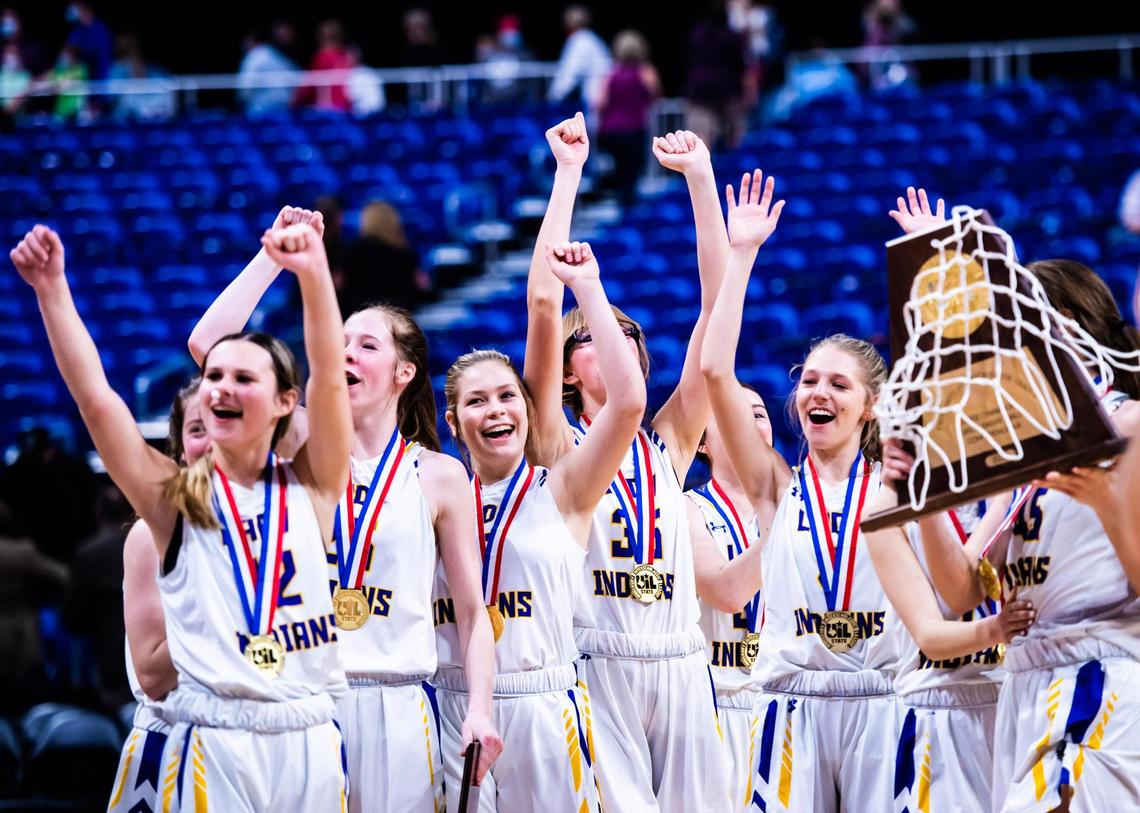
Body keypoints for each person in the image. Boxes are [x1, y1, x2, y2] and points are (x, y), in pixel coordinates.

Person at [11, 220, 352, 809]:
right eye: (214, 376)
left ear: (283, 403)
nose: (219, 387)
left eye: (243, 378)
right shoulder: (173, 500)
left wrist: (315, 273)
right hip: (214, 738)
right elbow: (98, 401)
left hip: (311, 735)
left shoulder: (316, 483)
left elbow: (330, 384)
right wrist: (52, 292)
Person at [188, 205, 501, 811]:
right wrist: (270, 257)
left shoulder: (440, 476)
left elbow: (471, 612)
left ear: (403, 371)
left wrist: (479, 711)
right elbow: (208, 346)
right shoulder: (297, 436)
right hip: (306, 695)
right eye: (341, 339)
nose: (347, 351)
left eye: (367, 343)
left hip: (400, 702)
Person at [525, 114, 733, 811]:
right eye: (603, 333)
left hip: (679, 656)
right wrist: (568, 175)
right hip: (598, 659)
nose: (622, 335)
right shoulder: (556, 442)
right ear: (568, 371)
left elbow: (716, 311)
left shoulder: (668, 439)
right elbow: (545, 303)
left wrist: (701, 183)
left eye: (632, 334)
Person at [911, 250, 1140, 812]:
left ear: (1073, 327)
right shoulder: (1016, 447)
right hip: (1025, 678)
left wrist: (1110, 506)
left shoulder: (1130, 421)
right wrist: (925, 502)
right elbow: (962, 590)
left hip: (1099, 665)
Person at [434, 239, 643, 811]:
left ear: (528, 410)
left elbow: (628, 404)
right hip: (452, 704)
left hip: (544, 701)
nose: (496, 409)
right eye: (477, 402)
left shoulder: (565, 487)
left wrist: (589, 288)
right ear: (454, 422)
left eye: (508, 396)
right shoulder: (428, 495)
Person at [108, 379, 205, 813]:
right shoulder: (151, 535)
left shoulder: (280, 522)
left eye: (229, 423)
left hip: (262, 744)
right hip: (175, 743)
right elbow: (153, 674)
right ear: (180, 448)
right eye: (198, 430)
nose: (216, 439)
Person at [683, 382, 776, 811]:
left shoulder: (805, 506)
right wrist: (787, 524)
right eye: (730, 412)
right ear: (702, 440)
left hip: (782, 701)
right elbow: (727, 591)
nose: (748, 421)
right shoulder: (684, 507)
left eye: (757, 413)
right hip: (715, 703)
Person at [596, 31, 660, 204]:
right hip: (635, 129)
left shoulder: (610, 75)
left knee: (619, 171)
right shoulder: (647, 73)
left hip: (612, 130)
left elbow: (599, 103)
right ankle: (627, 206)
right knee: (631, 172)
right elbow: (656, 96)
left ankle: (621, 204)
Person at [684, 0, 749, 150]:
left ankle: (702, 171)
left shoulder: (696, 34)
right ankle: (736, 169)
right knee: (735, 138)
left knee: (701, 141)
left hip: (700, 89)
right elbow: (741, 67)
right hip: (727, 90)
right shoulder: (733, 36)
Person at [547, 5, 610, 107]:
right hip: (602, 94)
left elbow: (569, 73)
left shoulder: (579, 41)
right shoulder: (593, 38)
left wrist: (554, 97)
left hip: (595, 97)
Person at [237, 26, 297, 115]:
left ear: (250, 41)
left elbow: (244, 88)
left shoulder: (254, 55)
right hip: (283, 109)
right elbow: (296, 79)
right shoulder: (274, 54)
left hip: (260, 111)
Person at [294, 20, 352, 113]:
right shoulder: (346, 57)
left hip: (327, 110)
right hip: (344, 107)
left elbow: (307, 86)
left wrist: (294, 103)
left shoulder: (322, 57)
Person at [64, 1, 112, 81]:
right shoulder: (78, 30)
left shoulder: (100, 29)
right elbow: (70, 47)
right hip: (85, 76)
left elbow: (101, 54)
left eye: (75, 7)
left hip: (101, 76)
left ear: (85, 9)